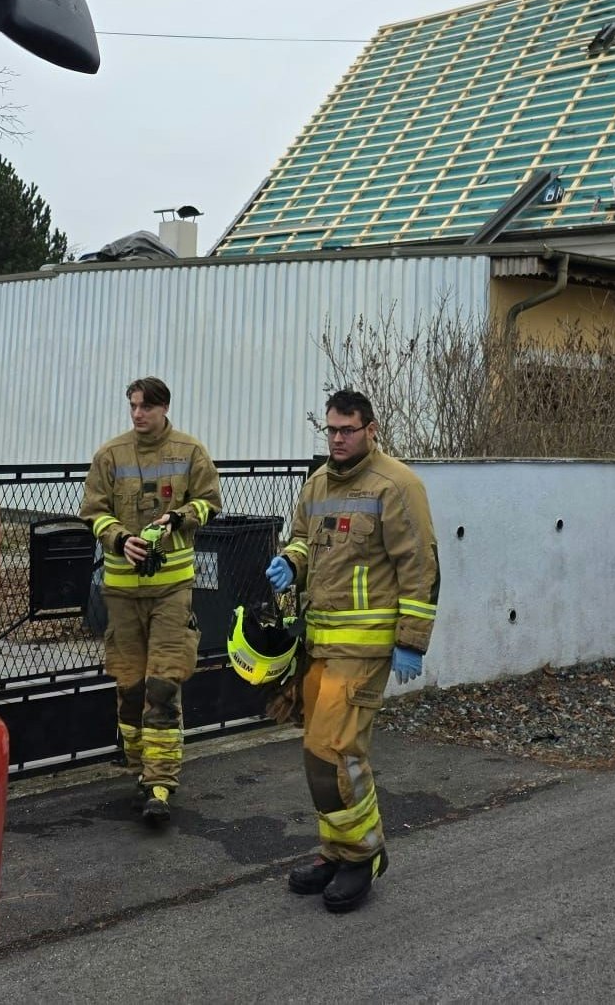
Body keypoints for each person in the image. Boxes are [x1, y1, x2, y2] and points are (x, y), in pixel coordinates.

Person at [265, 390, 438, 913]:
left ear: (371, 428)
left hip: (364, 651)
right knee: (320, 755)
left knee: (336, 751)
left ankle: (363, 856)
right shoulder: (317, 483)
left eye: (347, 430)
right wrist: (291, 562)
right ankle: (337, 851)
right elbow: (302, 539)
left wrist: (410, 642)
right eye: (332, 430)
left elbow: (420, 567)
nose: (337, 439)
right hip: (320, 644)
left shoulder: (397, 485)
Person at [80, 377, 223, 825]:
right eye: (133, 406)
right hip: (122, 593)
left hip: (171, 591)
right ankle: (139, 766)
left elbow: (210, 502)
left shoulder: (190, 452)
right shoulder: (110, 455)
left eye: (145, 406)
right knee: (129, 686)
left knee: (163, 684)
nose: (138, 414)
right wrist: (119, 538)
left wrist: (179, 517)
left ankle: (160, 784)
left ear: (164, 408)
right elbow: (93, 511)